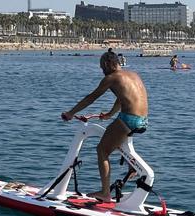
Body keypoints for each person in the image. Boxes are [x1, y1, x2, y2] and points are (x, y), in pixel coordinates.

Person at [60, 48, 149, 202]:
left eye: (102, 67)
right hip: (143, 120)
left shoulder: (112, 77)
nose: (102, 71)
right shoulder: (133, 74)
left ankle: (105, 193)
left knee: (102, 150)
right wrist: (110, 114)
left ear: (108, 64)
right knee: (111, 137)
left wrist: (71, 113)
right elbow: (122, 98)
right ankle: (131, 165)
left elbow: (91, 97)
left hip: (129, 118)